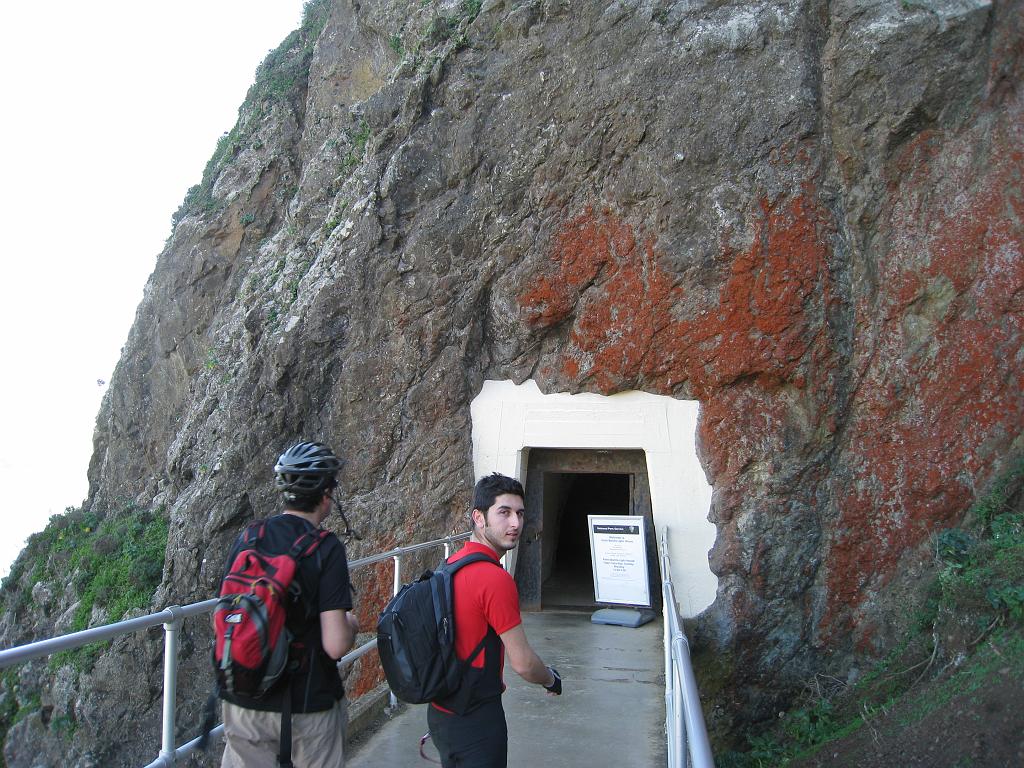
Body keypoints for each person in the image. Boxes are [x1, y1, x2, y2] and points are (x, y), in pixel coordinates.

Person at [220, 441, 360, 768]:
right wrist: (352, 624)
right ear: (326, 495)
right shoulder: (326, 547)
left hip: (244, 700)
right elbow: (336, 644)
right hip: (308, 705)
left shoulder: (249, 537)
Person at [427, 472, 563, 767]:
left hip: (442, 711)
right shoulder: (494, 579)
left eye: (520, 513)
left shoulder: (450, 564)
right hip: (476, 718)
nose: (515, 523)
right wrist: (551, 679)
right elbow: (524, 664)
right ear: (479, 517)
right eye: (504, 512)